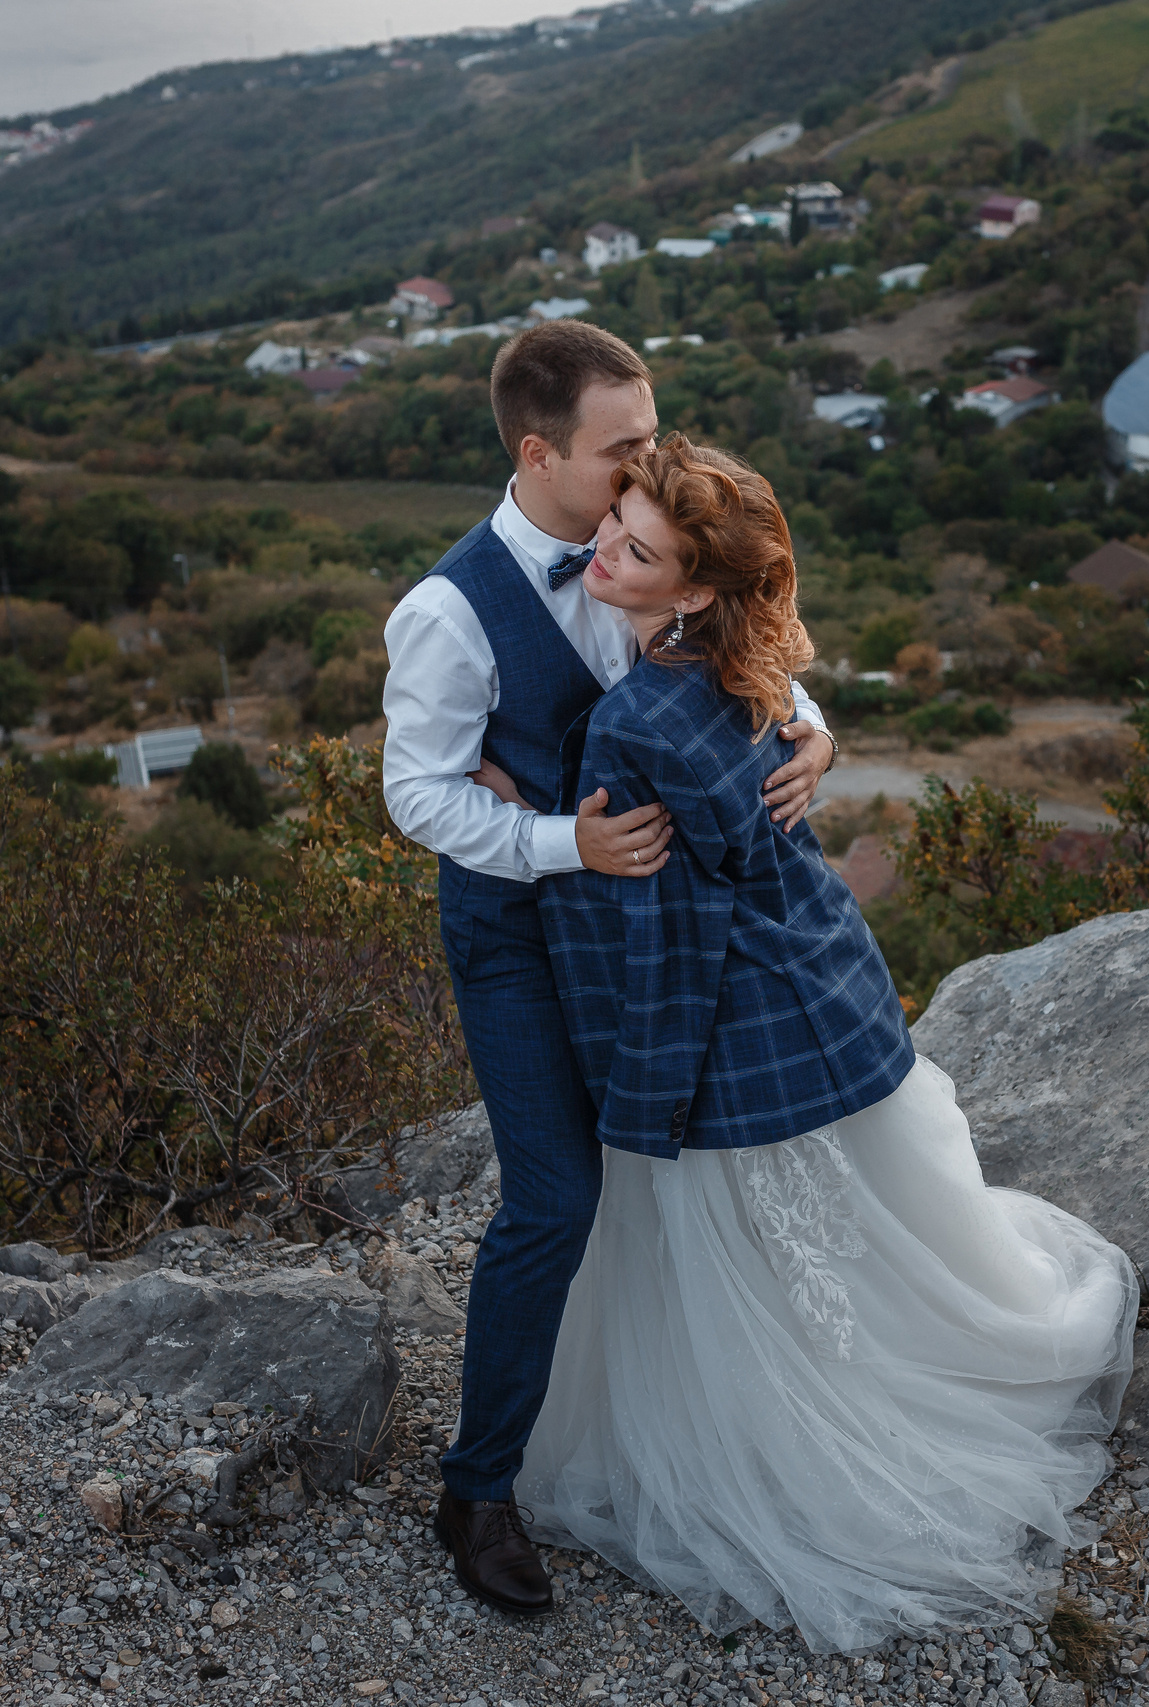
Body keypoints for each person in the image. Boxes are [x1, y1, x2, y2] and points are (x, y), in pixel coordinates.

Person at [496, 436, 1138, 1654]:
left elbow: (667, 926)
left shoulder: (635, 719)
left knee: (744, 1252)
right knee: (837, 1236)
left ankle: (796, 1451)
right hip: (822, 970)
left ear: (690, 591)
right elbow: (770, 732)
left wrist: (640, 1089)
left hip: (733, 1015)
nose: (603, 554)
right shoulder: (749, 662)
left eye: (636, 550)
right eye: (613, 529)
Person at [379, 323, 842, 1617]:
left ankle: (668, 1432)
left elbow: (745, 627)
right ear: (541, 453)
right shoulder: (447, 610)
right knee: (555, 1198)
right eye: (625, 444)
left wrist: (813, 732)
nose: (654, 457)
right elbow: (414, 792)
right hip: (522, 938)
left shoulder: (645, 536)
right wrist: (553, 838)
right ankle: (476, 1487)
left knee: (678, 1173)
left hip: (655, 937)